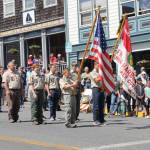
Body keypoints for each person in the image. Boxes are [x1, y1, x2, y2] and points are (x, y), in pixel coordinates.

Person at [90, 61, 105, 126]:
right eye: (98, 65)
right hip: (95, 89)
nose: (99, 67)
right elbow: (96, 80)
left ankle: (101, 120)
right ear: (95, 65)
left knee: (102, 105)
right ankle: (95, 120)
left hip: (101, 88)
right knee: (96, 105)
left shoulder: (100, 72)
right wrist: (102, 76)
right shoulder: (92, 72)